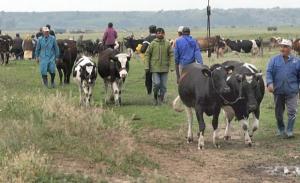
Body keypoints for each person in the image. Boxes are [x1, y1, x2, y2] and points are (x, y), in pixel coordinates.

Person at [266, 39, 300, 138]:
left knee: (292, 111)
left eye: (285, 47)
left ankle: (289, 131)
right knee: (278, 113)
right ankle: (281, 129)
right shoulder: (274, 60)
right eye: (281, 46)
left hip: (292, 91)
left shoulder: (297, 61)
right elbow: (269, 72)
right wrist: (269, 83)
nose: (282, 49)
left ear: (290, 48)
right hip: (278, 90)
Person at [145, 28, 174, 105]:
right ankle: (155, 96)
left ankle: (161, 99)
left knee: (163, 86)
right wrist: (147, 66)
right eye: (158, 33)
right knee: (157, 84)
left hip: (165, 68)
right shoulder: (152, 43)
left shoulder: (167, 43)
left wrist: (172, 66)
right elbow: (147, 55)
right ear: (156, 34)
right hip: (154, 68)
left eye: (161, 33)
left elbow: (171, 55)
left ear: (164, 34)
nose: (160, 34)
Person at [141, 25, 157, 95]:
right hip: (159, 61)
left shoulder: (147, 39)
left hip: (150, 61)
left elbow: (143, 50)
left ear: (149, 30)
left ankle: (149, 92)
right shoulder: (159, 38)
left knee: (148, 77)